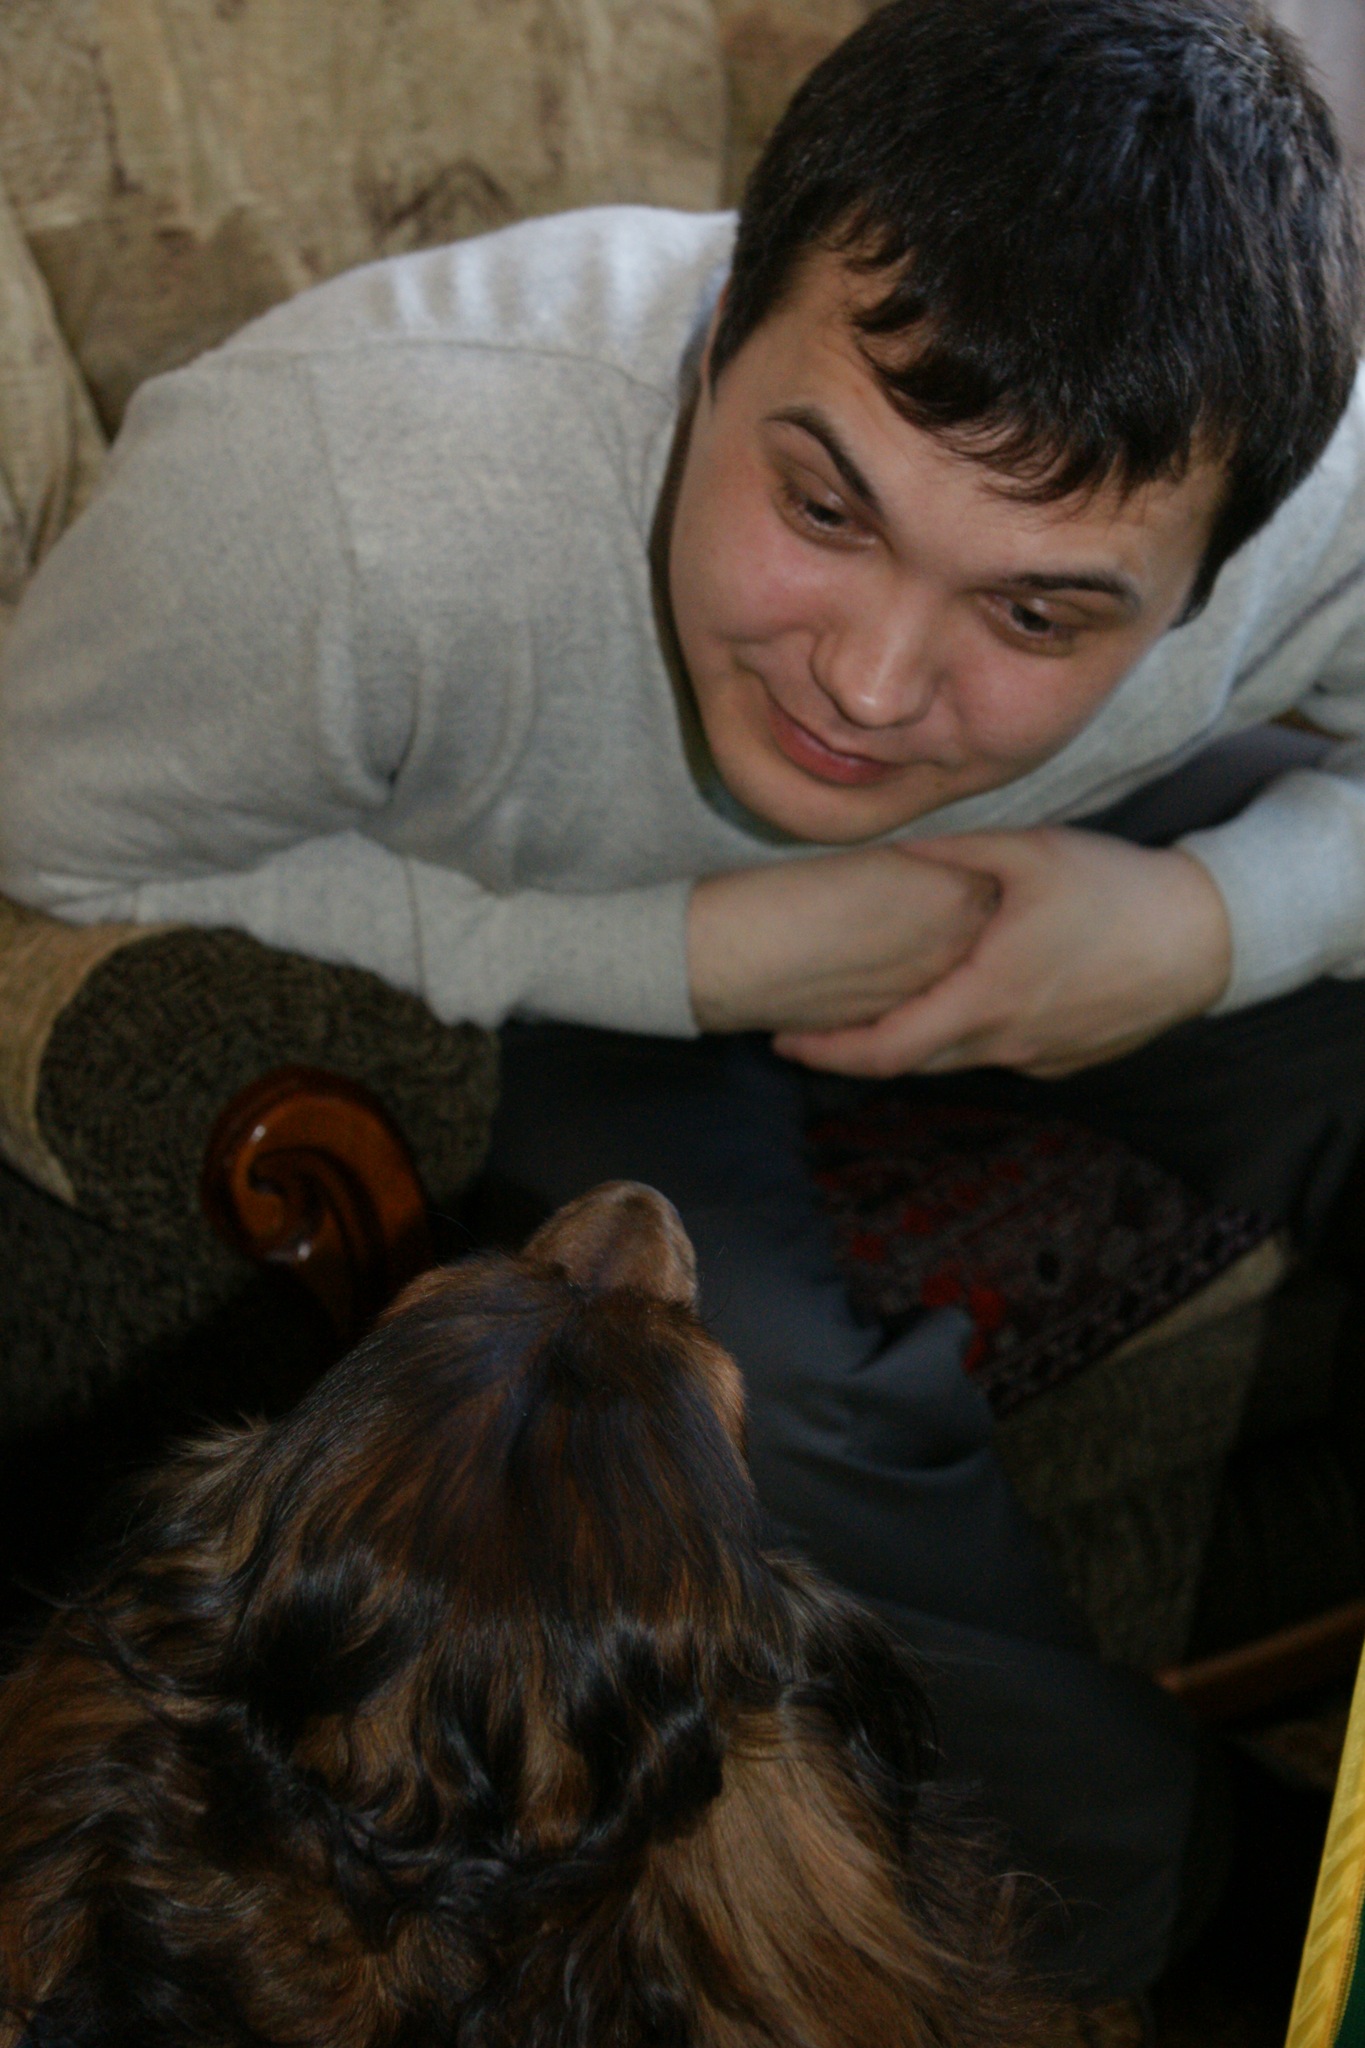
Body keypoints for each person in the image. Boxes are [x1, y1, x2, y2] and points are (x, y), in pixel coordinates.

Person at [1, 0, 1363, 1999]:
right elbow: (46, 845)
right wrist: (688, 952)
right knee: (735, 1469)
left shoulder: (1314, 488)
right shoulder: (331, 497)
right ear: (715, 335)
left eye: (1036, 608)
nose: (868, 688)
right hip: (532, 947)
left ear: (1215, 569)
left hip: (1064, 879)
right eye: (822, 508)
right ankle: (1230, 1947)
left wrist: (1205, 923)